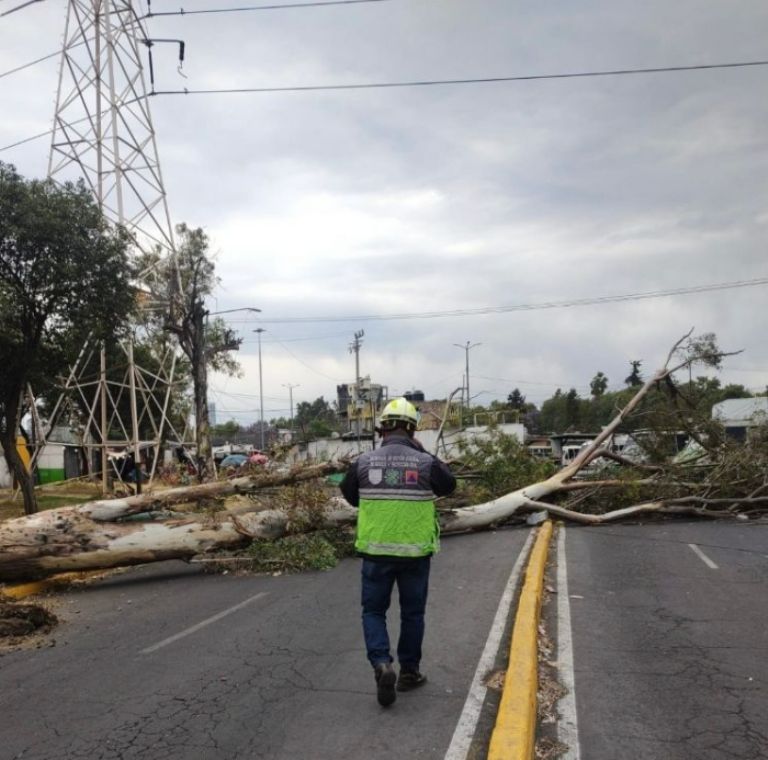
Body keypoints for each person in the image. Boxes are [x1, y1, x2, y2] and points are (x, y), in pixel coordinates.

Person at [339, 397, 456, 707]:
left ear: (383, 429)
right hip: (415, 555)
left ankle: (381, 663)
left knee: (374, 612)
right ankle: (409, 673)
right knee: (412, 613)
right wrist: (421, 452)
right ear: (412, 429)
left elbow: (351, 496)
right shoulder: (425, 462)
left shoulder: (363, 463)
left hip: (376, 553)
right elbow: (449, 485)